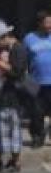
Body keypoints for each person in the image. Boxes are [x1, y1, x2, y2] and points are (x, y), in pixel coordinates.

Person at [0, 19, 28, 172]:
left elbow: (17, 72)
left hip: (11, 97)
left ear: (3, 37)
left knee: (10, 129)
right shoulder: (1, 50)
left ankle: (15, 161)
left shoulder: (18, 49)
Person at [24, 9, 51, 147]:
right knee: (36, 112)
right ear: (40, 23)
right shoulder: (29, 38)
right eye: (47, 22)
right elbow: (24, 61)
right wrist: (26, 79)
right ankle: (37, 137)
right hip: (36, 81)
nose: (50, 25)